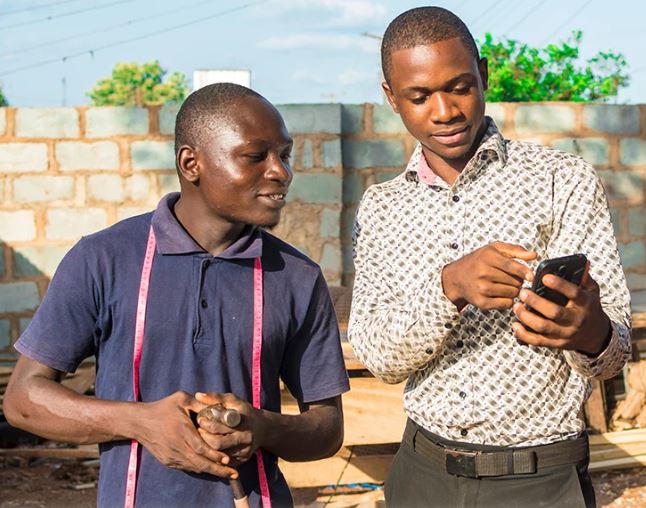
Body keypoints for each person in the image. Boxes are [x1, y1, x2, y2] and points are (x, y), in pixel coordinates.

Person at [4, 83, 350, 508]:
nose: (281, 172)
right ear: (191, 164)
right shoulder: (103, 259)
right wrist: (140, 421)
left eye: (284, 154)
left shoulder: (296, 276)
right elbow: (23, 400)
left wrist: (261, 427)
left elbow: (328, 428)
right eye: (256, 156)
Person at [347, 6, 631, 508]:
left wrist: (591, 333)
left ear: (483, 72)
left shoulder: (560, 180)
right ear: (391, 97)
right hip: (423, 473)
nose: (444, 111)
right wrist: (448, 287)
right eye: (419, 96)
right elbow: (377, 356)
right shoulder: (382, 207)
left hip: (542, 480)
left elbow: (613, 356)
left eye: (459, 86)